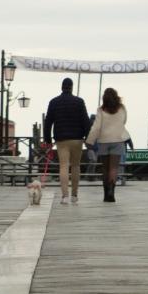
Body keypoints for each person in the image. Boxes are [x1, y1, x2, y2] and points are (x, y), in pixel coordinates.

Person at [42, 77, 91, 206]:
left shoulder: (54, 102)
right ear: (72, 87)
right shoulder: (79, 102)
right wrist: (88, 137)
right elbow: (86, 121)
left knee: (63, 166)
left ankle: (64, 196)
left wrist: (47, 139)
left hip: (61, 139)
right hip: (77, 139)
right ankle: (74, 195)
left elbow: (48, 122)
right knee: (75, 166)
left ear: (62, 87)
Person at [84, 87, 130, 203]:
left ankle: (105, 194)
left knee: (105, 168)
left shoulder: (101, 110)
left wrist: (89, 141)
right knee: (114, 168)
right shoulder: (122, 108)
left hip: (104, 141)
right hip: (118, 140)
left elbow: (96, 127)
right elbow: (124, 121)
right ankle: (112, 193)